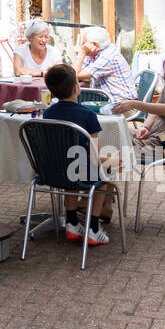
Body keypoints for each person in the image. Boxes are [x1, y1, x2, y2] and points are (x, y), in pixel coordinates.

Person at [40, 63, 118, 245]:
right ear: (77, 88)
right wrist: (112, 160)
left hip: (53, 171)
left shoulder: (48, 113)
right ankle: (93, 228)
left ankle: (72, 223)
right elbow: (94, 157)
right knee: (103, 178)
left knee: (72, 171)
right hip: (79, 171)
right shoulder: (88, 115)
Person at [75, 26, 137, 101]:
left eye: (84, 43)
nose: (82, 46)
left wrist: (81, 53)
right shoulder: (95, 53)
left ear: (95, 45)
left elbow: (74, 75)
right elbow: (73, 73)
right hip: (108, 100)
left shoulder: (109, 56)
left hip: (123, 106)